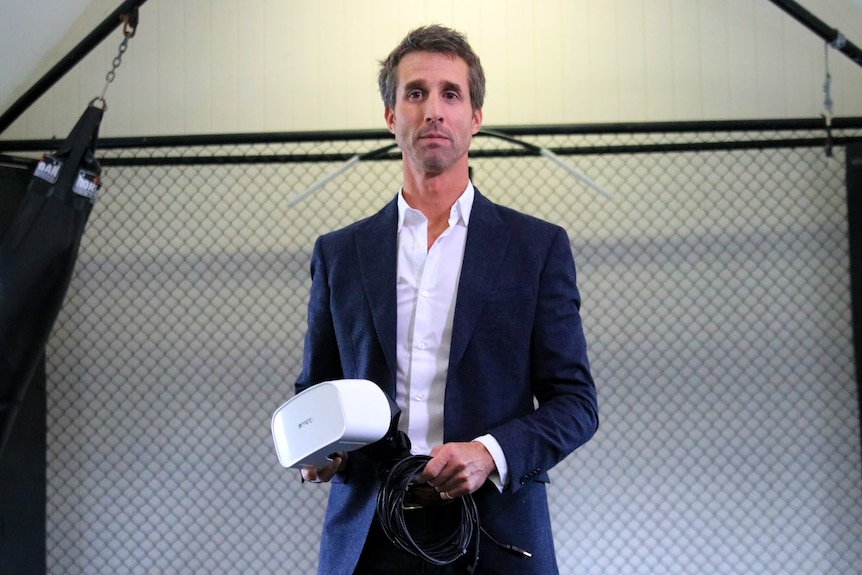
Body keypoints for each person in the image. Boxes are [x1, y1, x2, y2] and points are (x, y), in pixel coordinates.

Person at [295, 24, 598, 575]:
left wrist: (489, 453)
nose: (433, 109)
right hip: (369, 539)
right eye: (415, 93)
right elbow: (318, 390)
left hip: (498, 537)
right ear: (391, 116)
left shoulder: (536, 248)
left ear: (475, 118)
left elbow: (575, 404)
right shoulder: (339, 253)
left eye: (450, 94)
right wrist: (320, 450)